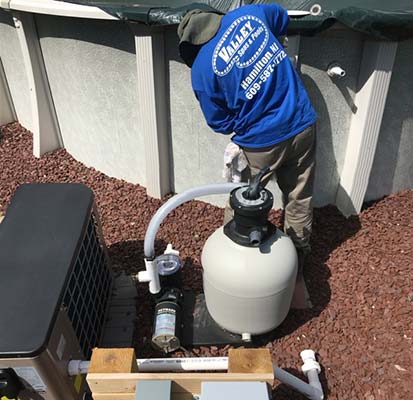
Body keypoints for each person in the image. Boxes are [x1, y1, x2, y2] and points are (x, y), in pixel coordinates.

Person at [177, 4, 317, 308]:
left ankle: (239, 268)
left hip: (261, 143)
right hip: (303, 123)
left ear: (190, 44)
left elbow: (219, 122)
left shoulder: (202, 69)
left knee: (244, 201)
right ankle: (295, 265)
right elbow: (281, 18)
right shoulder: (249, 16)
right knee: (299, 196)